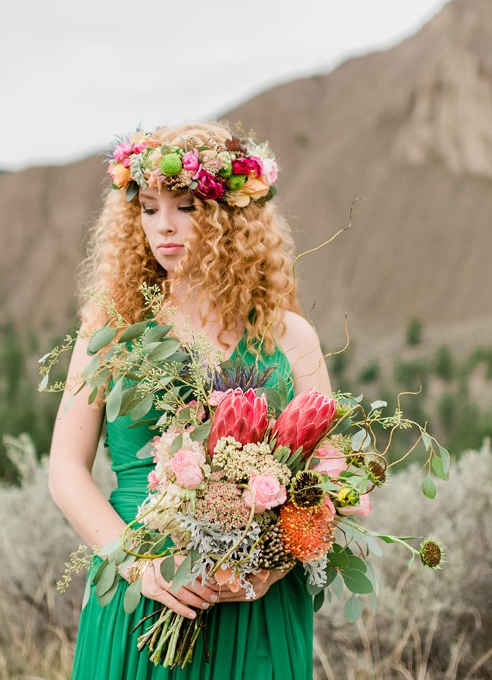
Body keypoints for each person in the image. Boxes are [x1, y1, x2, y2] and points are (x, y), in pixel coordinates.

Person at [48, 121, 332, 679]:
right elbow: (65, 469)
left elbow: (327, 475)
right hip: (142, 588)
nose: (164, 226)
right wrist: (136, 562)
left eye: (185, 206)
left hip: (257, 604)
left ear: (231, 218)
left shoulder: (290, 336)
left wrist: (272, 567)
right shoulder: (110, 330)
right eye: (149, 208)